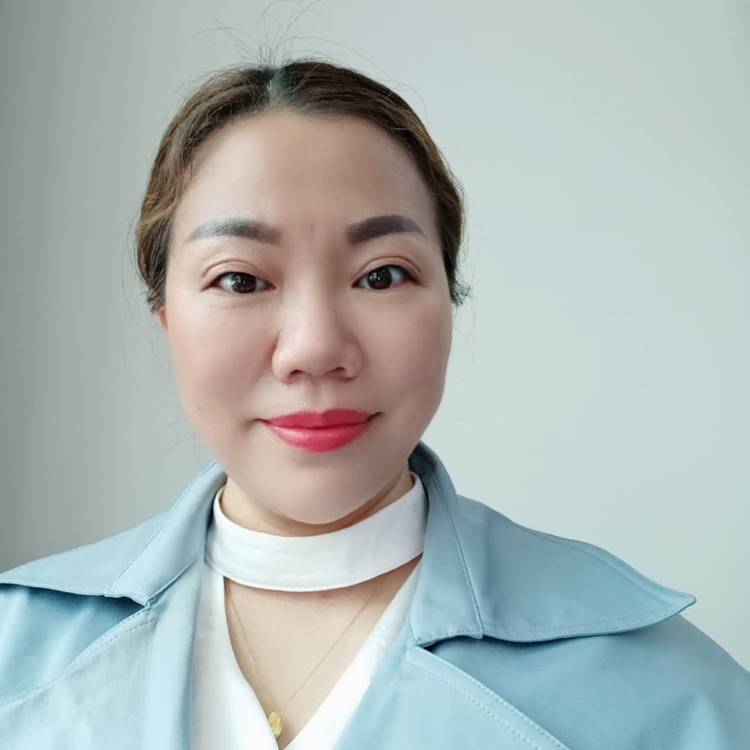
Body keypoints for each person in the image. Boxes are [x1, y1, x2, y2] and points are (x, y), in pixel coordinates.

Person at [0, 55, 748, 750]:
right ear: (166, 317)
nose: (314, 347)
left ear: (450, 303)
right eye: (240, 279)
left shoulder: (672, 695)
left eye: (382, 275)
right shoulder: (16, 649)